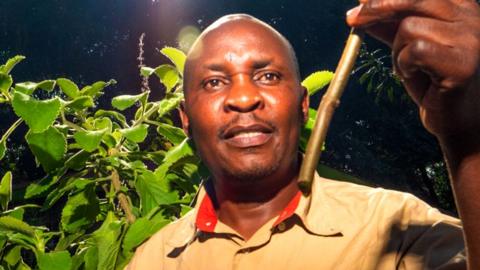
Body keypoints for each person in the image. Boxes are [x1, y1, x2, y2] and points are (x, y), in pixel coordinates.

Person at [127, 0, 480, 269]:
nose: (244, 98)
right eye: (214, 82)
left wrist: (466, 137)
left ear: (302, 105)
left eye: (267, 76)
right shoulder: (152, 259)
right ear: (185, 120)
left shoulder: (397, 226)